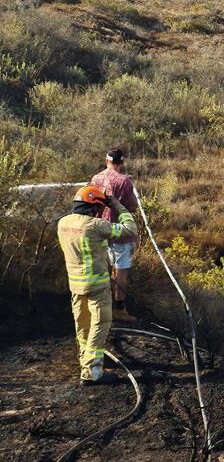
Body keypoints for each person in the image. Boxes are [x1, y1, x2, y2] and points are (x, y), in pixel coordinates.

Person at [57, 185, 138, 385]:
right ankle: (92, 372)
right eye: (100, 207)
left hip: (75, 285)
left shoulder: (63, 223)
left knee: (82, 325)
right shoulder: (96, 225)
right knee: (100, 324)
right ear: (93, 206)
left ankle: (86, 361)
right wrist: (117, 205)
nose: (101, 211)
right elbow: (130, 229)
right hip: (97, 286)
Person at [90, 148, 139, 322]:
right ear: (122, 162)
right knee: (121, 272)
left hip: (99, 230)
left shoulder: (95, 178)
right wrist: (130, 187)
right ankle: (119, 309)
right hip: (120, 233)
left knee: (103, 270)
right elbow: (132, 207)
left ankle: (103, 306)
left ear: (106, 161)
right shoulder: (125, 181)